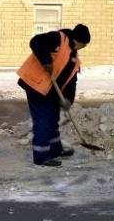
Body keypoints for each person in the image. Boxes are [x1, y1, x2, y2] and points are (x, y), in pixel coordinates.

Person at [18, 24, 91, 167]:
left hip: (51, 91)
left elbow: (71, 81)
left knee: (53, 119)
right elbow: (36, 42)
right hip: (35, 85)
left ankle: (55, 150)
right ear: (79, 41)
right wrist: (46, 61)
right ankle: (41, 157)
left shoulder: (74, 58)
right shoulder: (58, 38)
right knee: (44, 121)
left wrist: (68, 99)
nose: (83, 48)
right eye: (84, 45)